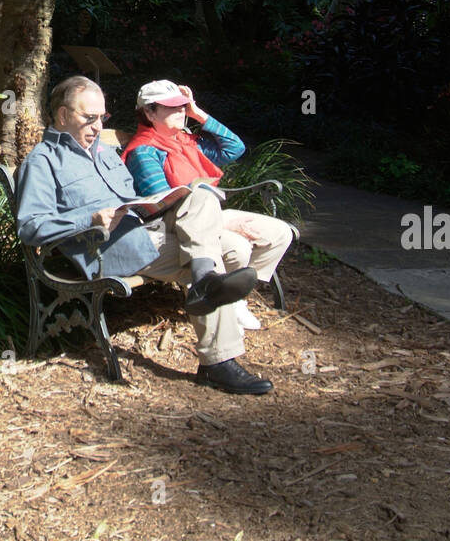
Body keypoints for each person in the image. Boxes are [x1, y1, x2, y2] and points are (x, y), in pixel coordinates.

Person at [16, 75, 273, 396]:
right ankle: (217, 361)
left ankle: (204, 284)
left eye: (102, 118)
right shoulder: (43, 161)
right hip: (104, 248)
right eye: (89, 117)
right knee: (217, 251)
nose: (97, 126)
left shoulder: (105, 153)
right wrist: (91, 218)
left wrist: (160, 204)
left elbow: (134, 199)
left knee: (205, 202)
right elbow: (30, 226)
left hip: (143, 230)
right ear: (63, 115)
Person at [121, 80, 294, 336]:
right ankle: (220, 297)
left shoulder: (187, 143)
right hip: (175, 223)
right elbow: (161, 203)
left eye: (182, 105)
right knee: (239, 244)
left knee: (280, 233)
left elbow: (235, 148)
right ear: (149, 112)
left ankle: (235, 295)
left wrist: (197, 112)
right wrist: (226, 224)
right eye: (172, 107)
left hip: (207, 214)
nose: (180, 111)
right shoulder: (144, 152)